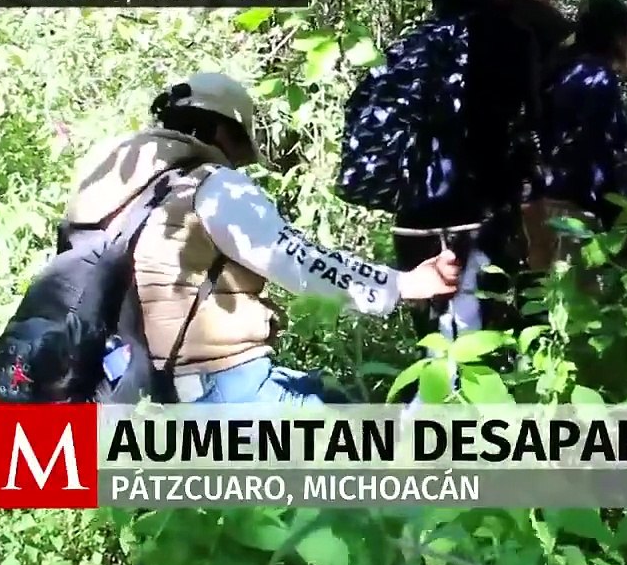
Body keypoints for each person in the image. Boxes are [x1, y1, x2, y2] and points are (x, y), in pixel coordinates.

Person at [61, 71, 460, 405]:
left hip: (130, 388)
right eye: (238, 149)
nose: (237, 163)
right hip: (217, 390)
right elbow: (298, 261)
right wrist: (402, 284)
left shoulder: (116, 188)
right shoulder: (214, 186)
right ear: (222, 131)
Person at [392, 0, 541, 353]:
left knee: (432, 339)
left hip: (412, 212)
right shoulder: (513, 40)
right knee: (466, 342)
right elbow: (529, 120)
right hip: (475, 212)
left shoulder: (419, 41)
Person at [525, 0, 627, 271]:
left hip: (546, 201)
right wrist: (615, 217)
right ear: (618, 35)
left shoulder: (563, 68)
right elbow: (599, 155)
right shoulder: (598, 80)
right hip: (577, 210)